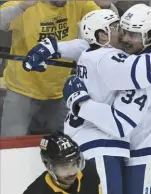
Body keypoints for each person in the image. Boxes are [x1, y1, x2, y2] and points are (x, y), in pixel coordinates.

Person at [21, 6, 151, 194]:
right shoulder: (135, 57)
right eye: (121, 30)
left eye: (131, 34)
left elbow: (120, 123)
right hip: (117, 143)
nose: (124, 37)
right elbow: (91, 47)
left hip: (146, 144)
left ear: (148, 36)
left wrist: (80, 103)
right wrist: (55, 47)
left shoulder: (143, 69)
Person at [0, 0, 118, 137]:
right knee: (11, 145)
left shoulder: (78, 3)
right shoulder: (24, 3)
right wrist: (21, 7)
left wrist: (107, 6)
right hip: (21, 91)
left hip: (60, 91)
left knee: (64, 144)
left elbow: (114, 27)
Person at [23, 131, 101, 194]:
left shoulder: (91, 172)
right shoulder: (35, 192)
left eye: (74, 163)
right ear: (49, 166)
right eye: (64, 166)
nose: (72, 172)